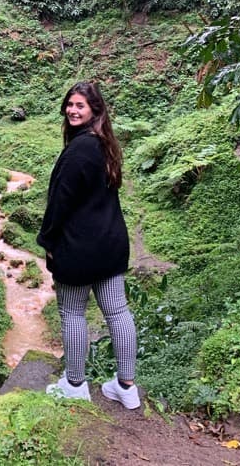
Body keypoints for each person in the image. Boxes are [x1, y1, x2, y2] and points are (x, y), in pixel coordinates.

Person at [37, 80, 140, 407]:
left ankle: (75, 384)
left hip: (79, 250)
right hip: (110, 245)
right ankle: (126, 387)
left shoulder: (78, 150)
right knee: (118, 312)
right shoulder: (105, 145)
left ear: (95, 110)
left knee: (71, 313)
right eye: (70, 104)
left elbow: (59, 204)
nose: (72, 110)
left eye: (80, 105)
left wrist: (48, 240)